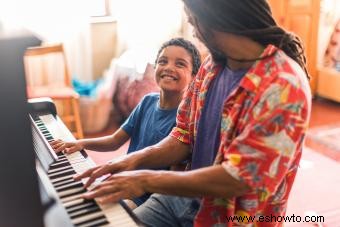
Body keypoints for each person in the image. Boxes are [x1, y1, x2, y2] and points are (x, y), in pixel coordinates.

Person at [72, 1, 312, 226]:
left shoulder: (283, 85)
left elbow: (237, 179)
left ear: (213, 18)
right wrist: (132, 160)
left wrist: (144, 179)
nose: (193, 30)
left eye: (192, 19)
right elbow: (183, 135)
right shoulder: (211, 67)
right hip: (181, 197)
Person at [50, 37, 201, 208]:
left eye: (180, 64)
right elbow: (115, 141)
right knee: (76, 200)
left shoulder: (185, 120)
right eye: (163, 61)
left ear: (194, 77)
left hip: (146, 198)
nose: (168, 67)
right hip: (123, 182)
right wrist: (81, 143)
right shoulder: (147, 102)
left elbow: (171, 182)